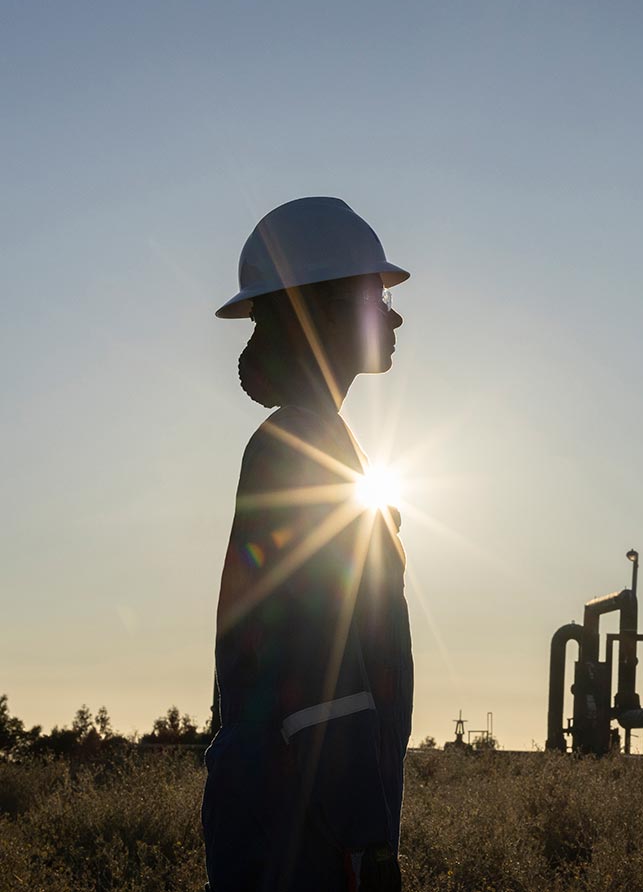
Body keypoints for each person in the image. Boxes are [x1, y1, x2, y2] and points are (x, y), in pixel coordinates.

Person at [203, 197, 412, 892]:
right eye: (376, 297)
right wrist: (364, 840)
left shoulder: (316, 446)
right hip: (300, 845)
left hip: (292, 828)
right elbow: (315, 670)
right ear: (324, 312)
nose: (395, 315)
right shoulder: (301, 452)